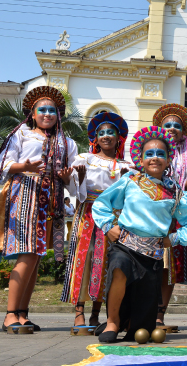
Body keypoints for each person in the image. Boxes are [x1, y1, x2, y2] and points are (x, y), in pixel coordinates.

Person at [92, 126, 187, 343]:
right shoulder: (129, 181)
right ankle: (113, 321)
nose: (155, 158)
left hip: (153, 253)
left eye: (160, 154)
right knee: (119, 270)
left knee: (140, 331)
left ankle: (130, 323)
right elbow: (101, 203)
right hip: (125, 244)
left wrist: (173, 238)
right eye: (150, 154)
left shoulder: (176, 192)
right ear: (141, 159)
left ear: (168, 159)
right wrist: (109, 226)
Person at [0, 85, 78, 332]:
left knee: (37, 257)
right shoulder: (21, 134)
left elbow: (71, 175)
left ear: (58, 115)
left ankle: (22, 312)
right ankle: (10, 315)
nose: (48, 114)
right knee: (27, 253)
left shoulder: (66, 142)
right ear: (32, 113)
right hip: (25, 195)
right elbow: (4, 163)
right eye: (42, 110)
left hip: (51, 198)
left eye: (52, 110)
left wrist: (66, 176)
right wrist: (25, 167)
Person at [60, 111, 129, 329]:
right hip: (88, 212)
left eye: (111, 132)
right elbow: (73, 189)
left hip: (113, 216)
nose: (106, 136)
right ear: (95, 138)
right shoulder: (84, 158)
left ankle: (96, 315)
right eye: (102, 133)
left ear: (119, 138)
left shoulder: (125, 165)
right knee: (85, 258)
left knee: (107, 262)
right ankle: (79, 312)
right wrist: (77, 178)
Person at [152, 104, 187, 328]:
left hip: (177, 216)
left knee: (169, 268)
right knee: (149, 265)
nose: (172, 128)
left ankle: (159, 315)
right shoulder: (151, 153)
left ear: (184, 132)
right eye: (167, 125)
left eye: (177, 126)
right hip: (151, 215)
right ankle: (142, 313)